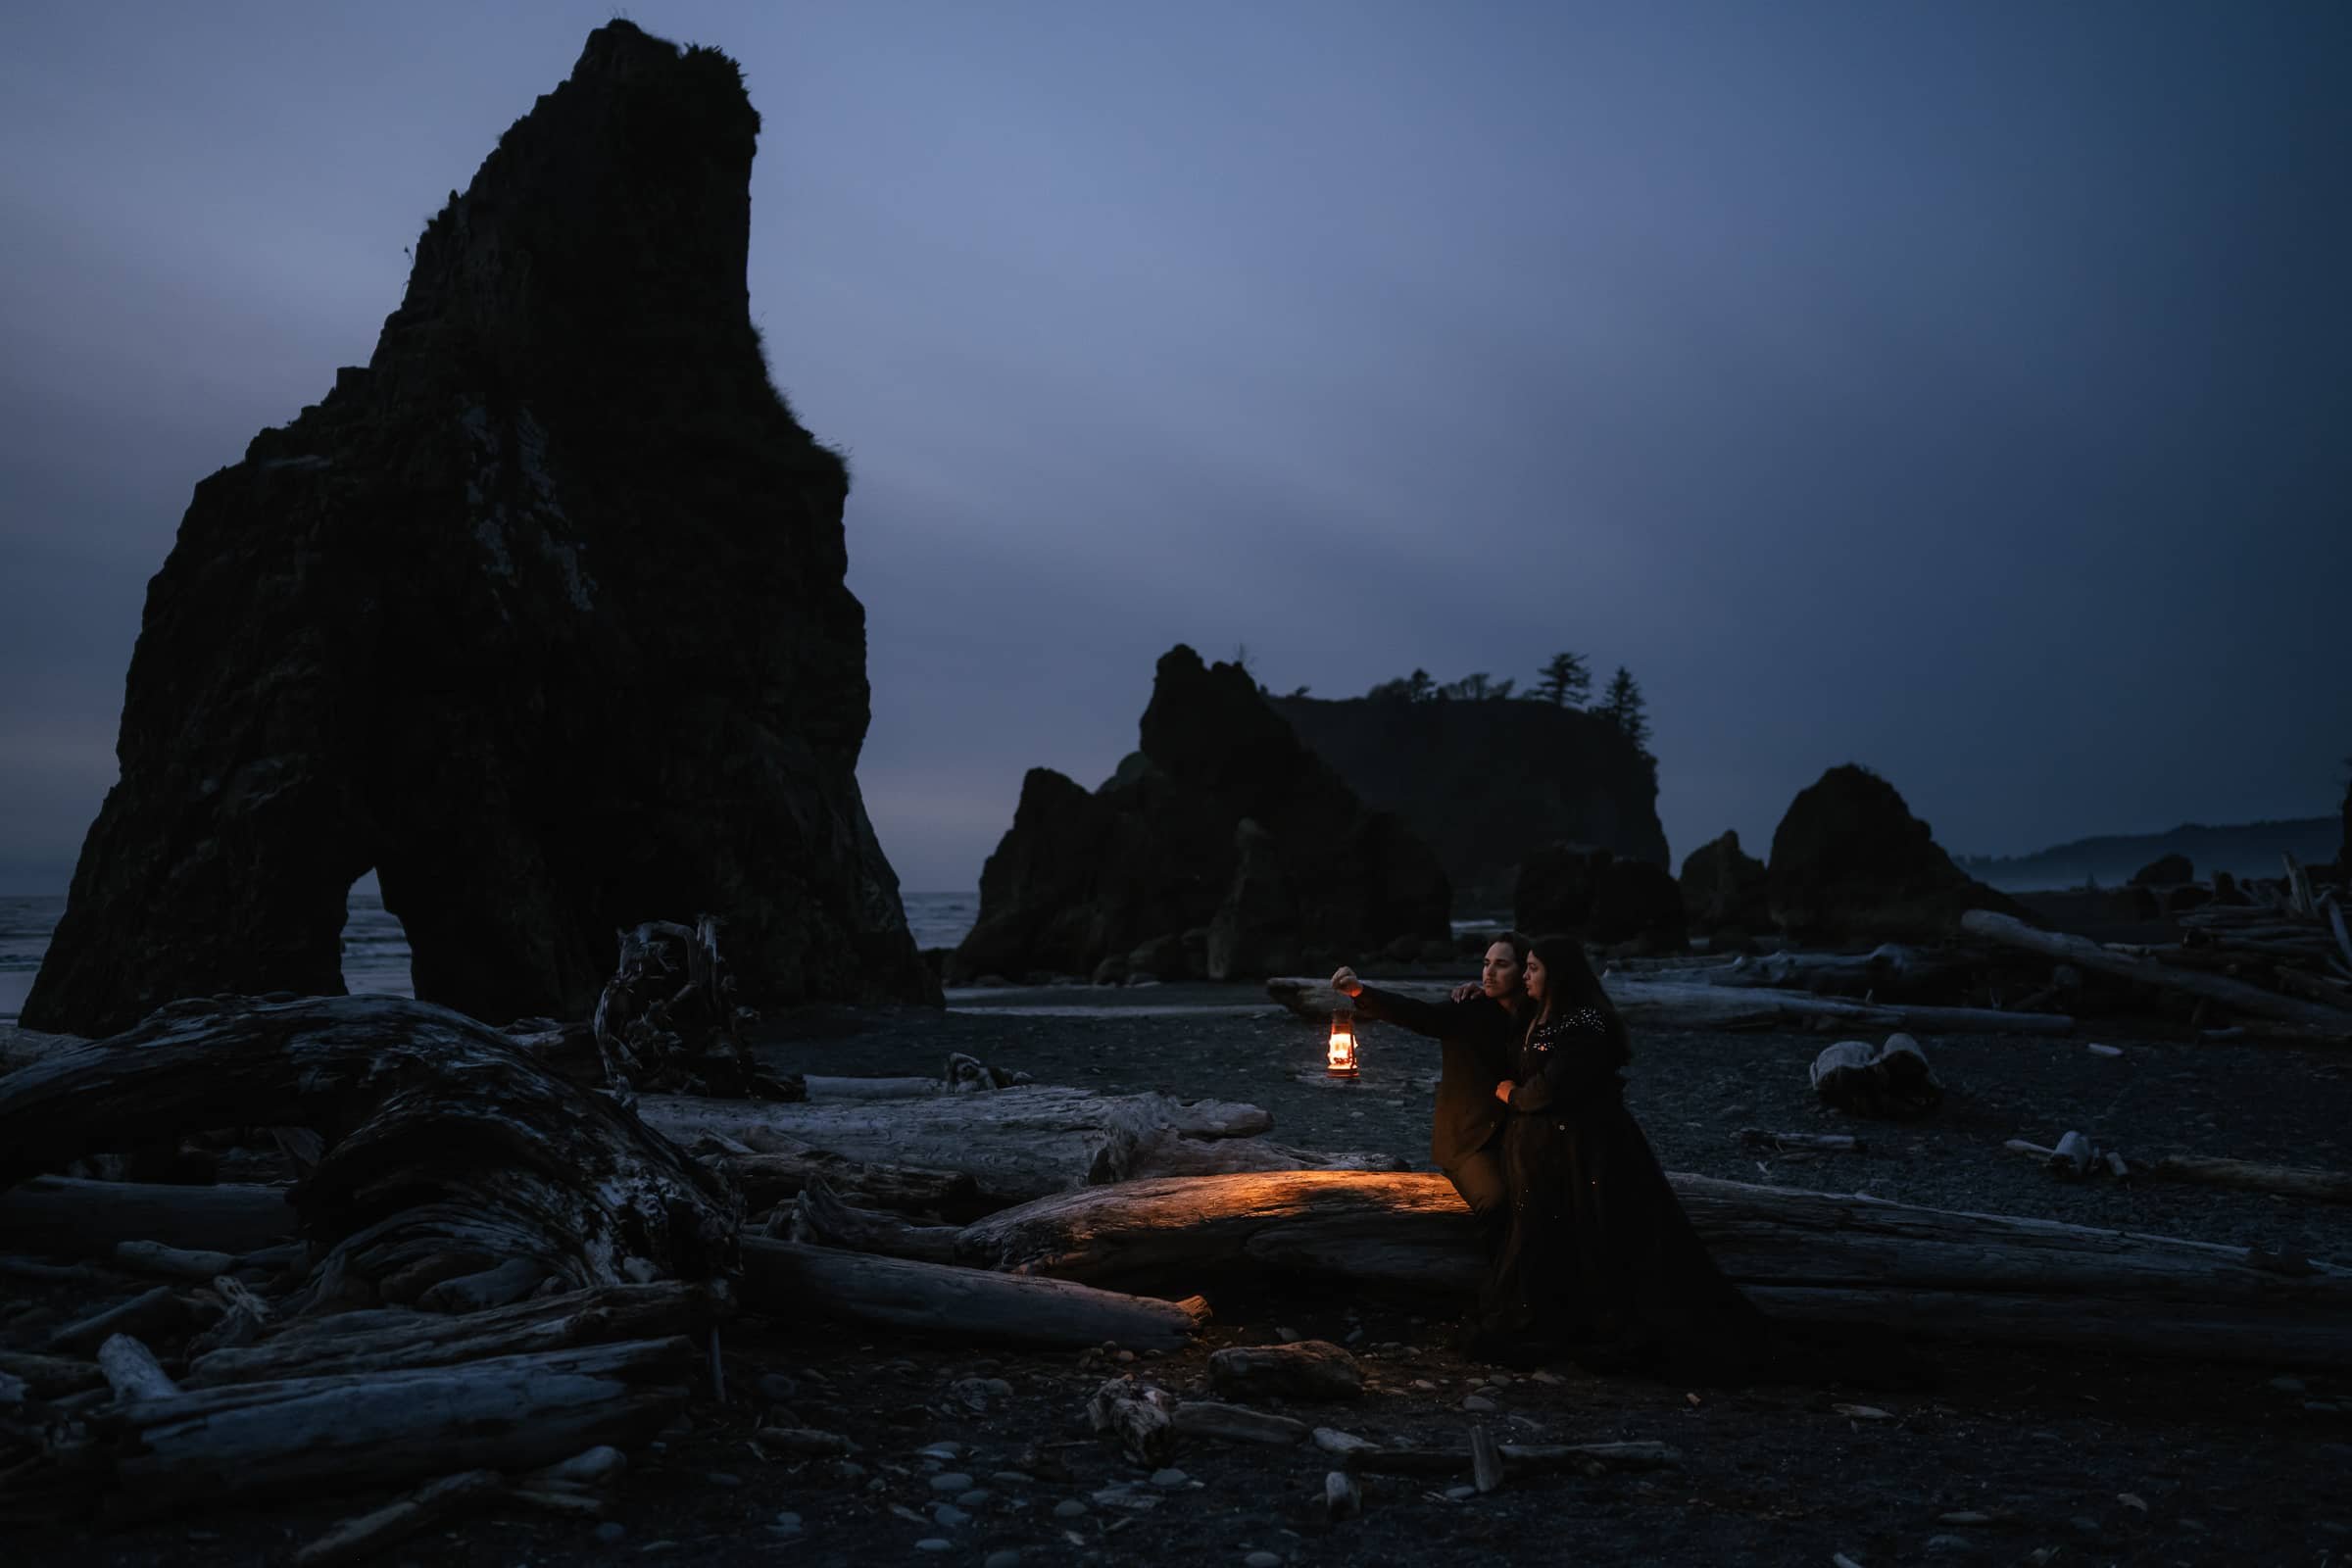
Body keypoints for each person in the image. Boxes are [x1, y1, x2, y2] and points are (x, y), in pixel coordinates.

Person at [1477, 932, 1766, 1377]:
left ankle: (1602, 1322)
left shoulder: (1588, 1021)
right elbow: (1520, 1036)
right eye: (1527, 967)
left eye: (1533, 969)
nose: (1526, 976)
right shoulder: (1547, 1014)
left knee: (1603, 1230)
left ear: (1559, 974)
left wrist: (1513, 1096)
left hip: (1591, 1148)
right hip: (1554, 1151)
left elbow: (1555, 1084)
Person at [1330, 936, 1530, 1251]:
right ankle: (1496, 1285)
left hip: (1522, 1136)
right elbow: (1419, 1014)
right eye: (1486, 963)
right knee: (1496, 1201)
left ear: (1525, 972)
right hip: (1469, 1142)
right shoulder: (1468, 1010)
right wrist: (1360, 992)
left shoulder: (1536, 1017)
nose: (1488, 973)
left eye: (1501, 965)